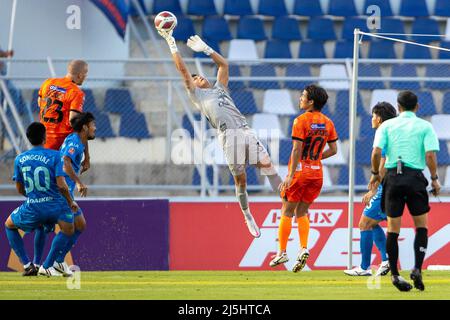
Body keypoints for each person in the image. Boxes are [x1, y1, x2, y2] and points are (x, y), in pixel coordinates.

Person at [157, 31, 282, 238]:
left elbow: (224, 65)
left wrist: (206, 49)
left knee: (267, 164)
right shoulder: (197, 95)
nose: (198, 77)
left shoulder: (220, 89)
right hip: (228, 137)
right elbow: (182, 70)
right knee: (241, 181)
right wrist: (172, 43)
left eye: (199, 75)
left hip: (244, 130)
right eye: (195, 78)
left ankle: (286, 199)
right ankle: (247, 214)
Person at [369, 90, 440, 292]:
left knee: (393, 229)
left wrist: (375, 173)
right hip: (415, 178)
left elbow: (376, 152)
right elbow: (430, 156)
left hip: (393, 178)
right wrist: (434, 180)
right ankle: (417, 268)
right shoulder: (425, 126)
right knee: (422, 227)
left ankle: (394, 274)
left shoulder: (387, 126)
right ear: (417, 107)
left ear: (398, 108)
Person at [269, 85, 338, 272]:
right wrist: (315, 159)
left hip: (299, 173)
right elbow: (334, 150)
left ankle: (282, 251)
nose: (300, 98)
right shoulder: (328, 122)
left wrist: (290, 175)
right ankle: (303, 248)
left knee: (287, 209)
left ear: (311, 101)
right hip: (317, 173)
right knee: (303, 212)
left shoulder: (300, 121)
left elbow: (297, 149)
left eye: (303, 96)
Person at [4, 122, 78, 276]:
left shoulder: (20, 159)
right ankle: (45, 264)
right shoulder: (55, 155)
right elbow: (62, 185)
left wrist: (35, 197)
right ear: (45, 137)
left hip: (33, 207)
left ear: (29, 138)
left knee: (9, 225)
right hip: (55, 205)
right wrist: (71, 202)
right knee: (69, 229)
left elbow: (19, 188)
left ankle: (28, 264)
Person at [36, 112, 96, 277]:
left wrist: (88, 157)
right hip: (61, 192)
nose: (95, 128)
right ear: (85, 127)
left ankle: (59, 262)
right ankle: (47, 266)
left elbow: (84, 143)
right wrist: (78, 182)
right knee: (69, 228)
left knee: (80, 225)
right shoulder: (74, 142)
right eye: (93, 125)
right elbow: (65, 162)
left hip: (64, 192)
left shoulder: (79, 139)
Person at [344, 102, 396, 277]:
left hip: (387, 186)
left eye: (373, 116)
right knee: (371, 223)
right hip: (395, 185)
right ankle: (386, 259)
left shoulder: (383, 133)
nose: (371, 119)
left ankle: (364, 267)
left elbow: (383, 165)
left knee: (364, 223)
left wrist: (374, 190)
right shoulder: (393, 132)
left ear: (379, 118)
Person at [37, 59, 90, 173]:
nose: (85, 77)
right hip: (60, 147)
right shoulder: (76, 92)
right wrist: (87, 156)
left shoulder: (47, 83)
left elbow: (39, 103)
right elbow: (74, 122)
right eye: (85, 74)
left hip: (42, 143)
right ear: (80, 75)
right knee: (61, 187)